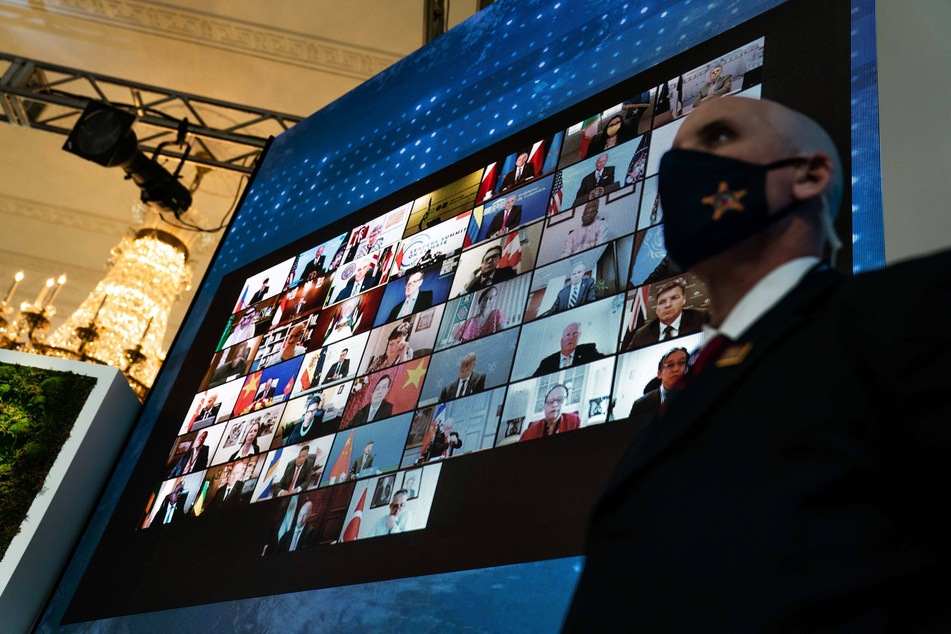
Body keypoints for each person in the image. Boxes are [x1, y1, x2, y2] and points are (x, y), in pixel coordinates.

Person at [565, 96, 951, 631]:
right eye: (673, 157)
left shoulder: (909, 311)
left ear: (809, 174)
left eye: (719, 138)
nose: (681, 171)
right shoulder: (663, 417)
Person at [622, 278, 710, 350]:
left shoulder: (700, 318)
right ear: (656, 309)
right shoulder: (642, 335)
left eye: (674, 298)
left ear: (683, 300)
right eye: (662, 302)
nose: (668, 305)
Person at [626, 347, 688, 432]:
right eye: (670, 365)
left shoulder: (696, 397)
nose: (676, 369)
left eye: (681, 363)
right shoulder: (640, 404)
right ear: (659, 374)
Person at [533, 322, 605, 376]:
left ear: (579, 336)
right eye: (568, 334)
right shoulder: (546, 362)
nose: (571, 338)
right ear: (561, 340)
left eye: (575, 333)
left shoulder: (588, 350)